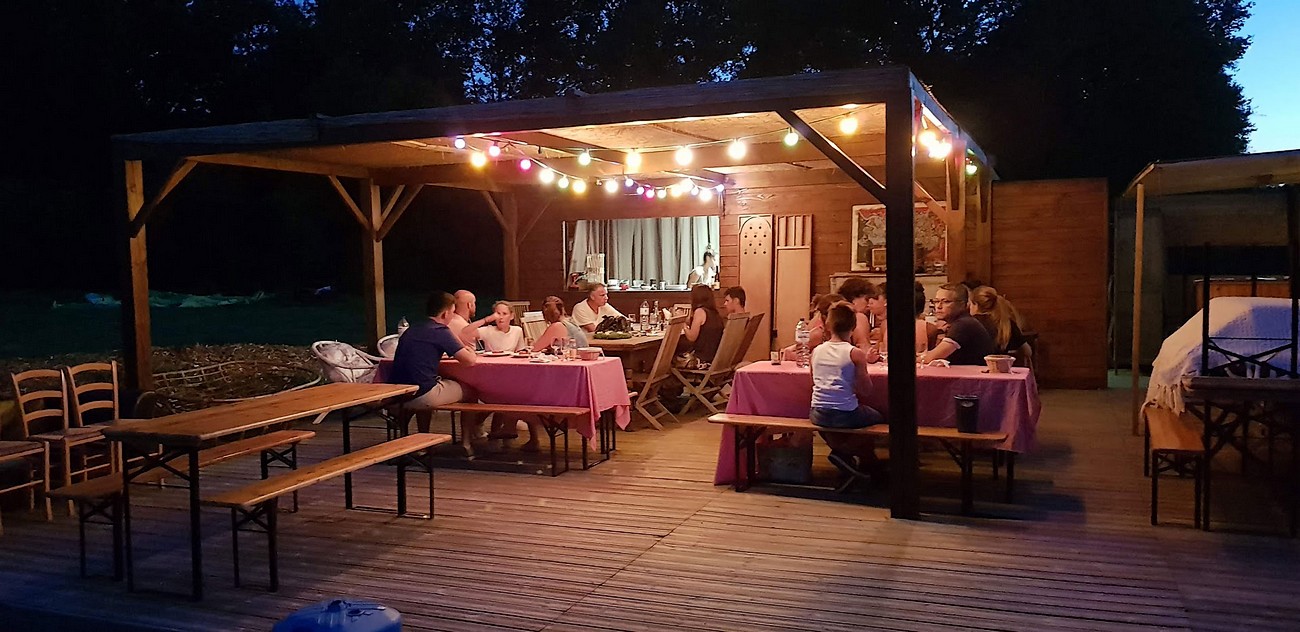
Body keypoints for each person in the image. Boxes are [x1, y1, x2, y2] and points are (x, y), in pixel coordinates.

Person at [810, 303, 884, 488]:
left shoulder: (816, 351)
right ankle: (845, 453)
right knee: (880, 419)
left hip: (817, 411)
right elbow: (865, 389)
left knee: (836, 425)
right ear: (853, 328)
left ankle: (855, 462)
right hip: (845, 413)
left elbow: (813, 379)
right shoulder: (855, 354)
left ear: (828, 326)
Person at [388, 291, 477, 433]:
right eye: (452, 313)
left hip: (399, 393)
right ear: (445, 314)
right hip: (422, 395)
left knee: (429, 382)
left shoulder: (412, 329)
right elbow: (469, 361)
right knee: (471, 391)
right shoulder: (440, 331)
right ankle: (468, 442)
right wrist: (471, 350)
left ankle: (424, 437)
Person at [920, 283, 997, 366]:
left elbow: (931, 358)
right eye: (936, 301)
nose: (938, 306)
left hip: (976, 378)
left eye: (946, 301)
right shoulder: (962, 322)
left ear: (962, 304)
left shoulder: (964, 325)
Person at [968, 285, 1031, 358]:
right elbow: (1027, 351)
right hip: (999, 367)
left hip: (974, 366)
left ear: (975, 304)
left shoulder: (970, 323)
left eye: (970, 304)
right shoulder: (1006, 323)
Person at [836, 276, 881, 361]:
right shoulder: (858, 317)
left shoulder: (832, 314)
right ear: (854, 300)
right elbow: (865, 349)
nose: (869, 304)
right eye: (866, 299)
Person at [678, 284, 725, 365]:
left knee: (671, 356)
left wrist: (681, 323)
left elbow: (692, 337)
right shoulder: (715, 314)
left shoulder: (700, 312)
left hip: (701, 359)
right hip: (713, 358)